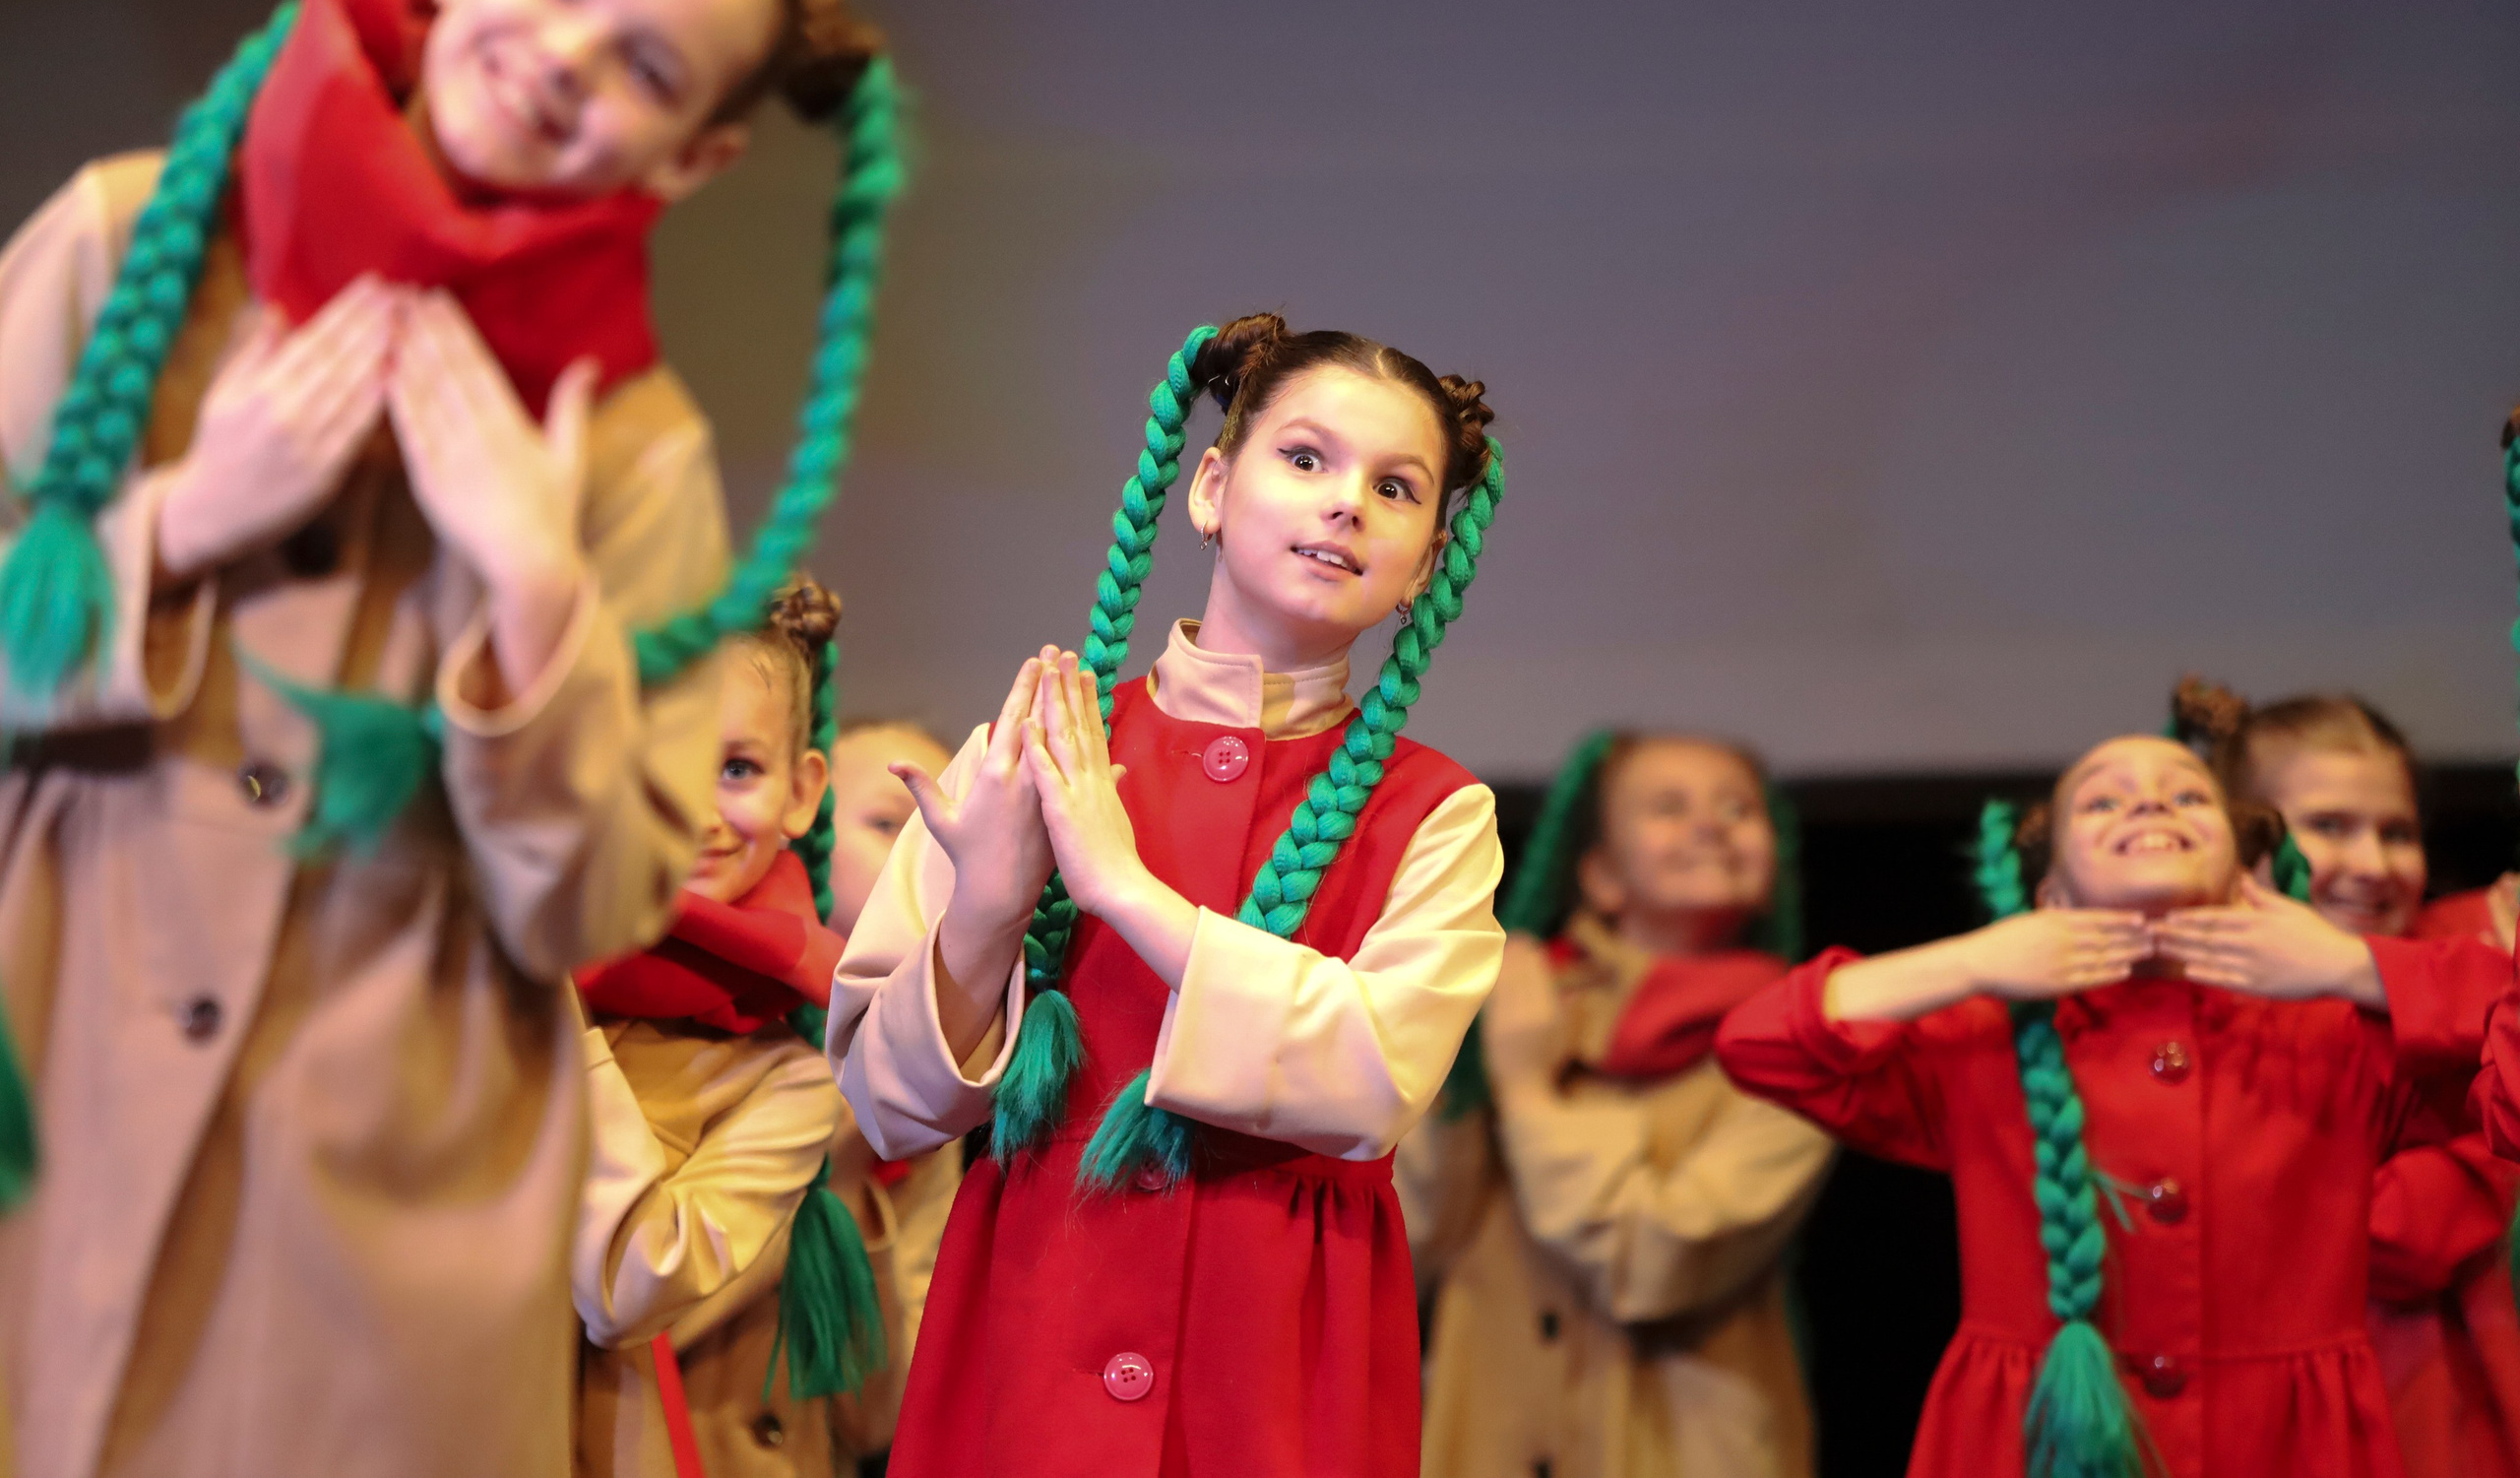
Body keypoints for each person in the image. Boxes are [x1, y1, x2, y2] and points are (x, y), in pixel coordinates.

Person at [0, 0, 895, 1472]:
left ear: (694, 155)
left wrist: (534, 595)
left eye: (642, 64)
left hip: (373, 1211)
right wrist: (189, 518)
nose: (563, 56)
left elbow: (601, 893)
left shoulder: (635, 453)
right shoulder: (139, 241)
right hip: (54, 1093)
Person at [831, 315, 1509, 1477]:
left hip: (1280, 1366)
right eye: (1304, 459)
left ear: (1428, 560)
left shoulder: (1436, 814)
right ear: (1207, 488)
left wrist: (1122, 890)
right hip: (1033, 1323)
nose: (1345, 502)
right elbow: (887, 1103)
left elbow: (1371, 1079)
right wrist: (990, 909)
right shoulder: (1037, 752)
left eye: (1395, 488)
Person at [1715, 733, 2504, 1478]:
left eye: (2189, 796)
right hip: (2035, 1443)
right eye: (2102, 801)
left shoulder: (2335, 1030)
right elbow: (1759, 1041)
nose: (2150, 805)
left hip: (2284, 1447)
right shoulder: (1984, 1038)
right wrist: (1975, 957)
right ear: (2050, 890)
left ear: (2246, 877)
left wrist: (2354, 964)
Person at [1401, 732, 1834, 1478]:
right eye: (1669, 806)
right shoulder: (1514, 1005)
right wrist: (1451, 1055)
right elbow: (1412, 1229)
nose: (1711, 824)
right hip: (1483, 1435)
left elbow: (1654, 1263)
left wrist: (1532, 1093)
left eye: (1738, 807)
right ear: (1600, 873)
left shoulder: (1801, 1044)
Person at [2172, 679, 2520, 1478]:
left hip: (2411, 1420)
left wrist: (2355, 967)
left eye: (2397, 831)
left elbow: (2407, 1236)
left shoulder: (2468, 983)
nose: (2372, 864)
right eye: (2330, 826)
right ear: (2243, 836)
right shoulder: (2173, 1006)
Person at [573, 579, 868, 1477]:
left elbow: (627, 1286)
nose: (697, 811)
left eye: (735, 768)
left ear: (799, 791)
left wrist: (565, 1026)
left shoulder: (792, 1078)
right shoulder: (482, 964)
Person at [818, 718, 961, 1471]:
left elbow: (881, 1418)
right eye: (887, 822)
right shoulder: (659, 1015)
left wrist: (847, 1182)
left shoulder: (939, 1090)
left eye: (948, 835)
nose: (925, 858)